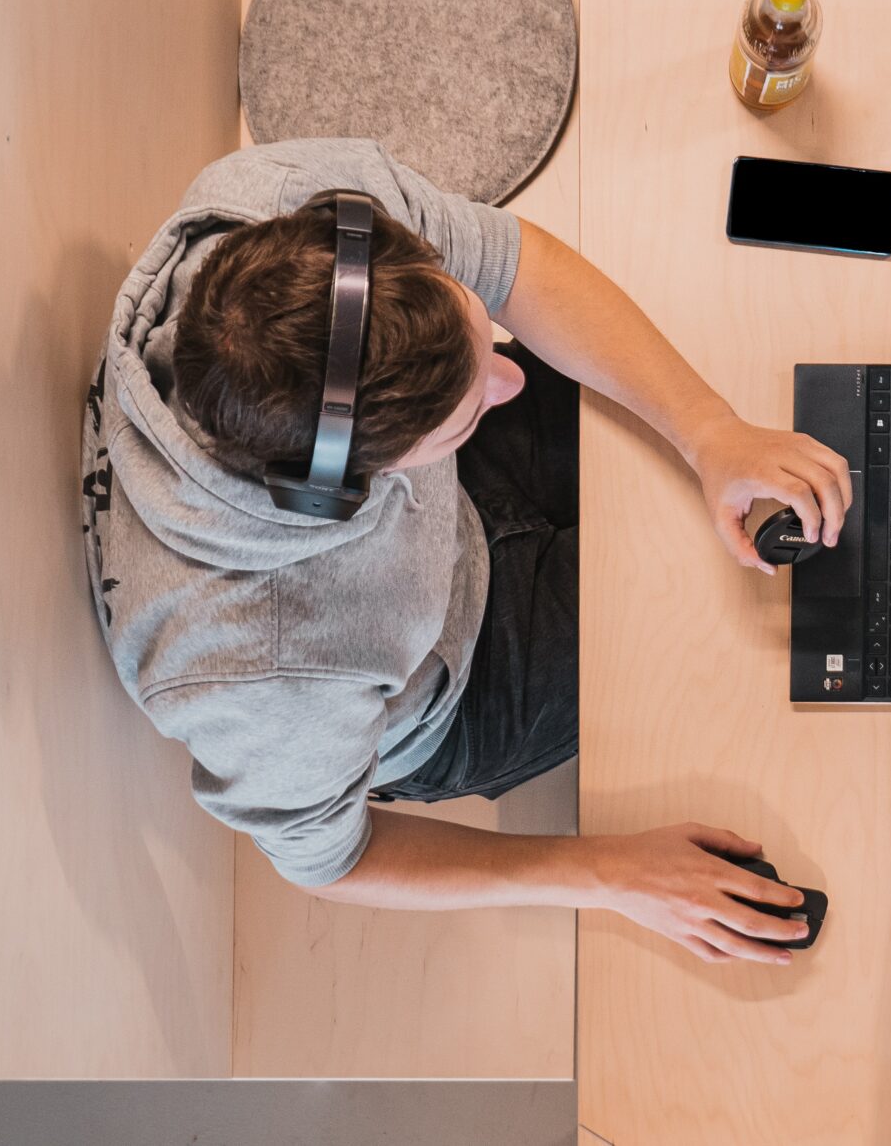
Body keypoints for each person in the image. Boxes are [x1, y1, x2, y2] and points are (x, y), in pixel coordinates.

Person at [82, 138, 851, 965]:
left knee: (766, 474)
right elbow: (335, 862)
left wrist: (711, 432)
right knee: (734, 622)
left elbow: (516, 266)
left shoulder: (276, 202)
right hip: (463, 680)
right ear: (350, 487)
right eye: (467, 409)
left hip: (450, 515)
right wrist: (612, 873)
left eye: (476, 333)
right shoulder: (263, 670)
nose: (511, 382)